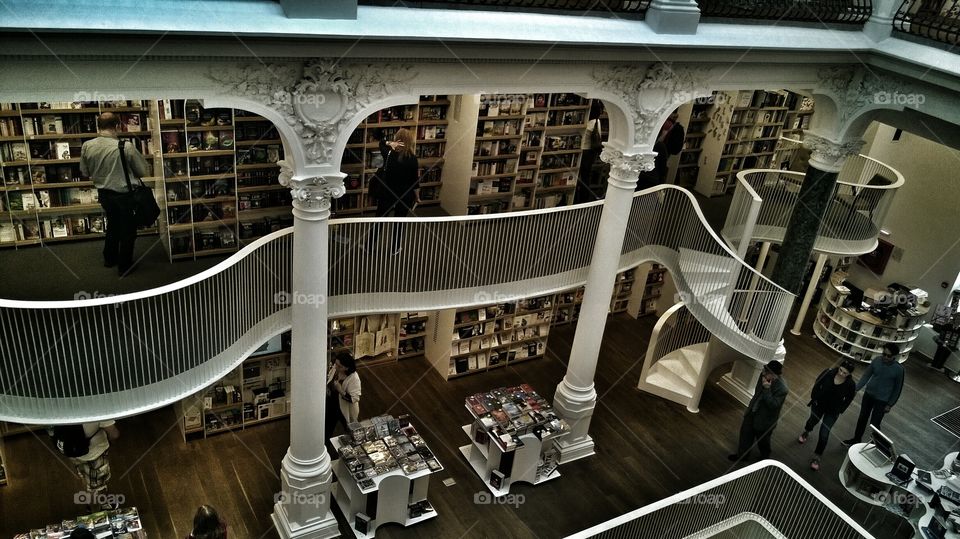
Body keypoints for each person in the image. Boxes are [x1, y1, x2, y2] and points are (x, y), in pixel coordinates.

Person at [80, 112, 150, 276]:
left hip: (104, 194)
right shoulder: (125, 147)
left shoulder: (87, 146)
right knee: (128, 230)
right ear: (117, 126)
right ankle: (125, 266)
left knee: (112, 224)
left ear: (98, 126)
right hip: (125, 195)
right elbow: (143, 171)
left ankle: (109, 258)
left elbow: (84, 171)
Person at [798, 360, 856, 471]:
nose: (841, 374)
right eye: (841, 370)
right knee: (812, 421)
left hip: (833, 411)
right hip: (819, 404)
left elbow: (849, 399)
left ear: (849, 374)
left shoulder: (850, 384)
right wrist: (814, 398)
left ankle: (817, 457)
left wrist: (840, 409)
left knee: (824, 434)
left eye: (845, 373)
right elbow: (817, 384)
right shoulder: (828, 372)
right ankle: (806, 431)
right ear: (839, 367)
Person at [843, 343, 905, 446]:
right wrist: (856, 389)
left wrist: (890, 404)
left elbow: (897, 389)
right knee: (862, 418)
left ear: (894, 356)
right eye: (883, 354)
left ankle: (876, 445)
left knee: (875, 424)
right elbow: (866, 375)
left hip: (882, 400)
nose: (885, 357)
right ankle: (856, 439)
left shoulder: (899, 370)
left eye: (888, 356)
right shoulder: (876, 360)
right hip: (868, 395)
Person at [369, 128, 419, 254]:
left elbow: (381, 142)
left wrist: (389, 143)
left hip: (387, 193)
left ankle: (369, 247)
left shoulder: (388, 154)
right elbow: (415, 181)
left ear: (397, 139)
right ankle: (395, 248)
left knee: (379, 220)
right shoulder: (413, 158)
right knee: (399, 222)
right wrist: (417, 197)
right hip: (405, 195)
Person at [729, 360, 788, 462]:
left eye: (767, 372)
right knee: (745, 434)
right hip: (752, 411)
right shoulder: (763, 375)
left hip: (765, 420)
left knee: (763, 442)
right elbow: (757, 393)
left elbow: (773, 405)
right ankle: (742, 456)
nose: (764, 373)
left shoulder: (782, 389)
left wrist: (767, 389)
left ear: (774, 375)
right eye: (764, 370)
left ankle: (765, 457)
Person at [61, 420, 120, 510]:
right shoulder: (96, 409)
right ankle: (98, 509)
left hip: (73, 451)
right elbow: (114, 434)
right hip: (94, 454)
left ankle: (95, 503)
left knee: (85, 476)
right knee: (97, 487)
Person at [333, 353, 361, 425]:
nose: (336, 367)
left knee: (348, 427)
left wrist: (340, 390)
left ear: (346, 368)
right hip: (333, 403)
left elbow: (354, 399)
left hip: (345, 408)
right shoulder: (336, 368)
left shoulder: (354, 378)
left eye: (340, 366)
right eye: (336, 364)